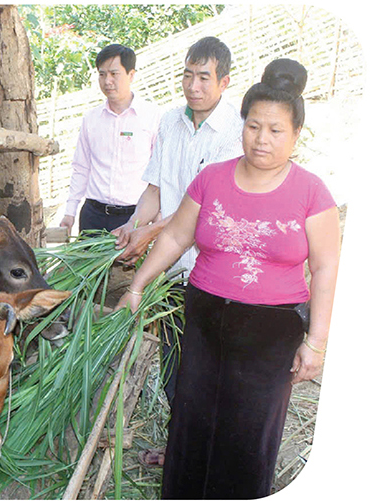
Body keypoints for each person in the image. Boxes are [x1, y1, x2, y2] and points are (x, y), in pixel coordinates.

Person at [119, 59, 338, 499]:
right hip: (203, 317)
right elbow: (177, 236)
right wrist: (137, 285)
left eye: (276, 130)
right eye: (254, 126)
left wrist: (315, 342)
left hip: (272, 329)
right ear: (242, 126)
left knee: (251, 426)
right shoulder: (212, 179)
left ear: (296, 135)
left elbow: (326, 268)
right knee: (192, 414)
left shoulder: (312, 192)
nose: (263, 139)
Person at [112, 36, 242, 429]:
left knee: (207, 367)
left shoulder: (234, 132)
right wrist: (133, 225)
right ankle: (179, 441)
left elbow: (199, 208)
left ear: (225, 82)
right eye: (187, 75)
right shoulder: (170, 121)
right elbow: (155, 187)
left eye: (204, 77)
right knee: (173, 363)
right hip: (170, 274)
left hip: (211, 273)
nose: (193, 86)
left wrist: (150, 232)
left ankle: (201, 445)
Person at [59, 43, 160, 234]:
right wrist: (70, 212)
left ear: (131, 75)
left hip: (133, 218)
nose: (107, 81)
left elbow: (159, 175)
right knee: (88, 265)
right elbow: (81, 167)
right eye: (102, 74)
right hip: (93, 216)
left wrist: (155, 219)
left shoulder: (152, 117)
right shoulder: (91, 119)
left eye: (114, 74)